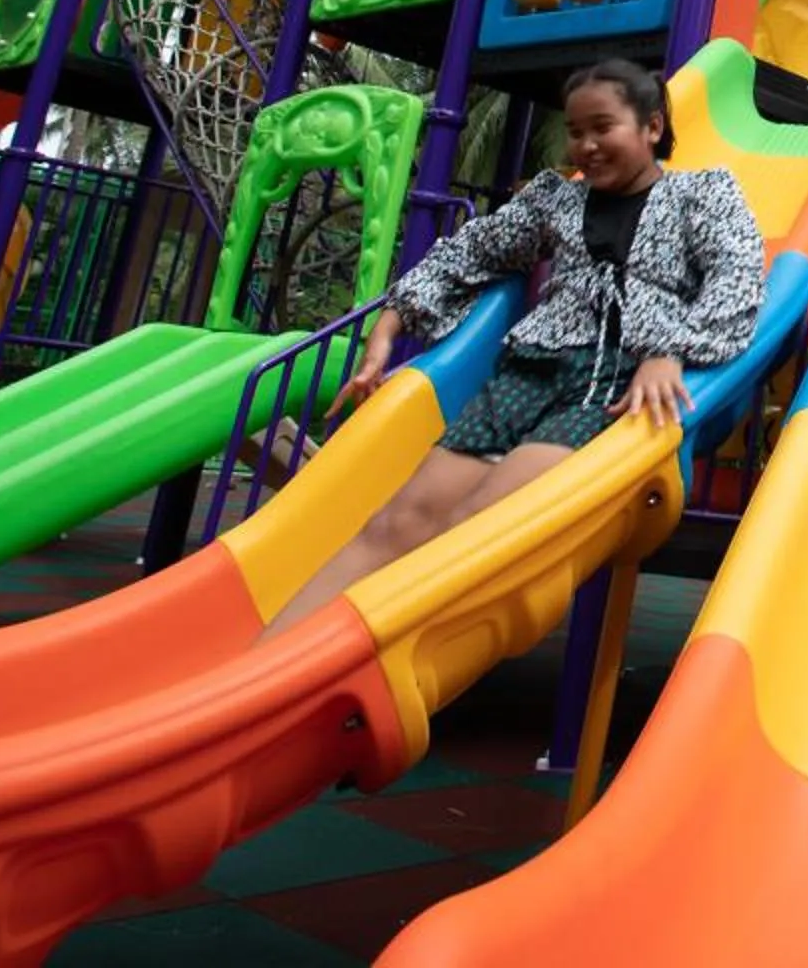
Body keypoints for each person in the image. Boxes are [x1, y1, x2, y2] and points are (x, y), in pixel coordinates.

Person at [261, 60, 762, 636]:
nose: (587, 145)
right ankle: (265, 659)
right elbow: (470, 251)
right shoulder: (556, 199)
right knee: (395, 524)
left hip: (610, 386)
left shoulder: (701, 195)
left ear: (651, 127)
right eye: (576, 132)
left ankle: (347, 652)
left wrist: (668, 351)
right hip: (526, 374)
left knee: (475, 526)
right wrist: (390, 324)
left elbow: (737, 282)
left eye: (604, 127)